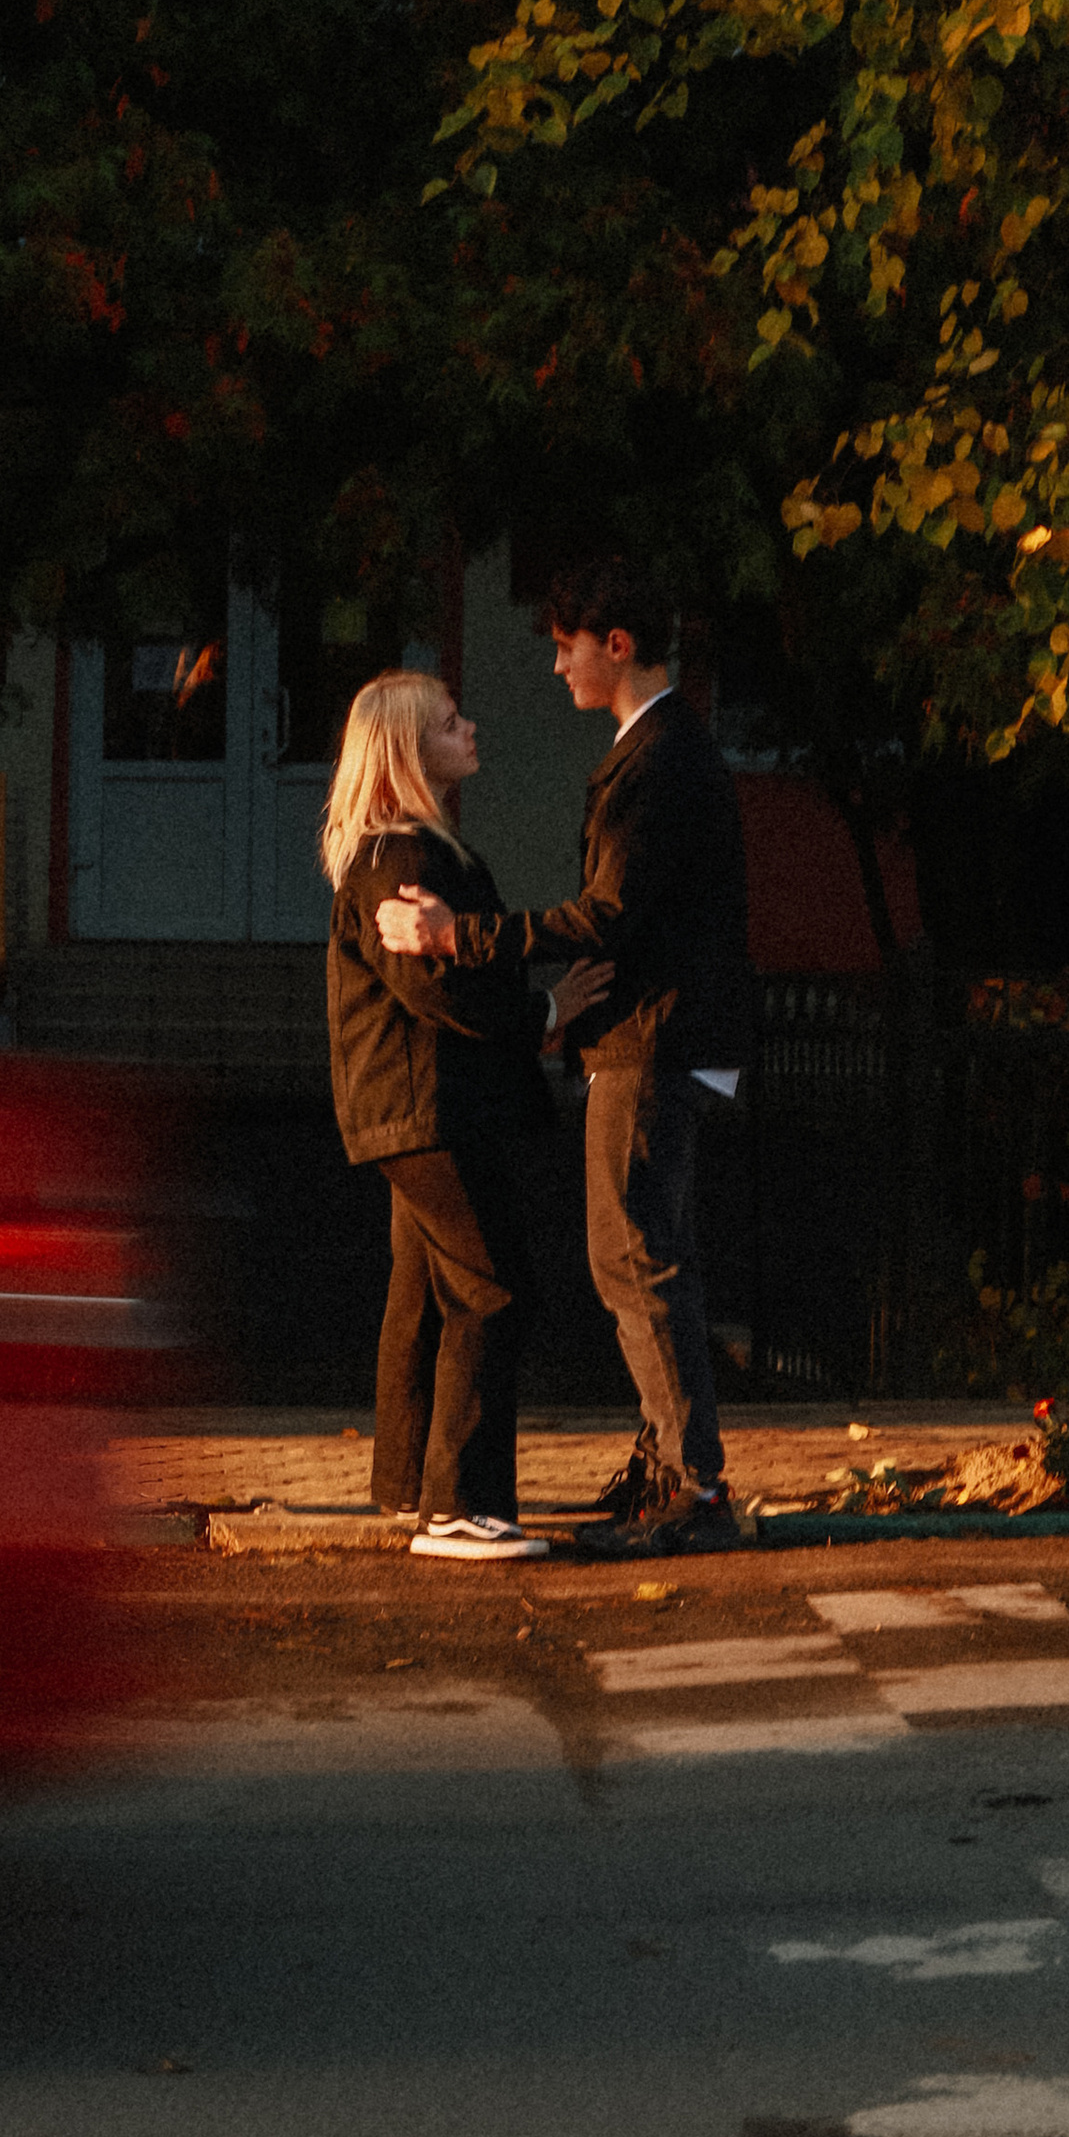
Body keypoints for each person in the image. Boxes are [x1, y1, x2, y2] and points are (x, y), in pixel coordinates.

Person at [374, 551, 752, 1559]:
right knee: (650, 1255)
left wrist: (462, 937)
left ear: (613, 645)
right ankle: (671, 1463)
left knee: (631, 1257)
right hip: (661, 1033)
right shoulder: (665, 748)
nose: (555, 669)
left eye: (564, 647)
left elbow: (608, 913)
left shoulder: (657, 759)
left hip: (649, 1038)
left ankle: (691, 1485)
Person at [323, 670, 561, 1562]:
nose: (472, 730)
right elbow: (432, 987)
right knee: (492, 1289)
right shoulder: (406, 860)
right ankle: (459, 1506)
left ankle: (406, 1486)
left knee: (422, 1291)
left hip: (409, 1110)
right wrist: (543, 1014)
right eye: (451, 723)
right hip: (434, 1110)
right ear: (406, 752)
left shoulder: (398, 853)